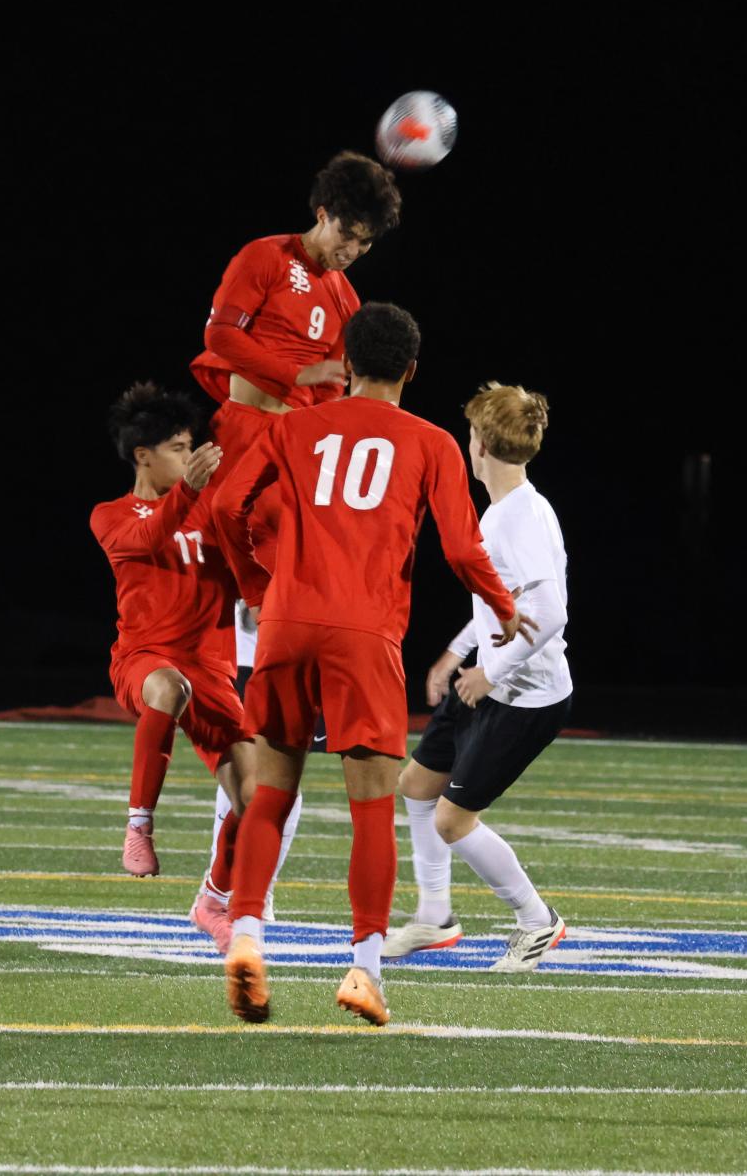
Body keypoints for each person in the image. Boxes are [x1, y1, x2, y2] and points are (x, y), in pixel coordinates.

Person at [212, 303, 532, 1026]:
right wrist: (501, 605)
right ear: (411, 371)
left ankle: (248, 934)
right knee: (368, 811)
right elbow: (457, 548)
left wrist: (259, 587)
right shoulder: (429, 442)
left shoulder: (290, 427)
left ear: (345, 363)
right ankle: (362, 968)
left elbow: (226, 505)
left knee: (270, 794)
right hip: (364, 635)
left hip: (288, 624)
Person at [185, 151, 405, 905]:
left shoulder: (347, 297)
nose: (352, 250)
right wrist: (297, 375)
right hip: (248, 433)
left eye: (365, 243)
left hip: (296, 461)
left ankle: (236, 878)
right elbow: (218, 339)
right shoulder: (264, 257)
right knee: (252, 643)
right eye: (348, 233)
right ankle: (234, 876)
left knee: (290, 646)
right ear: (321, 212)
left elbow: (347, 388)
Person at [385, 383, 573, 972]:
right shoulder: (500, 511)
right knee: (416, 785)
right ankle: (436, 917)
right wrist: (453, 655)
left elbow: (552, 613)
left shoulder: (524, 516)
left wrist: (489, 675)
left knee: (451, 819)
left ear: (481, 444)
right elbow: (498, 607)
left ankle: (538, 922)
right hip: (493, 683)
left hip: (528, 698)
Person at [89, 384, 253, 948]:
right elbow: (153, 535)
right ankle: (138, 825)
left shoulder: (209, 506)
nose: (191, 456)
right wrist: (189, 491)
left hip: (212, 669)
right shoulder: (110, 515)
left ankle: (214, 899)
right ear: (143, 455)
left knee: (258, 798)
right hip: (145, 661)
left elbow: (245, 566)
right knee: (167, 686)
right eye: (181, 447)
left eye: (192, 447)